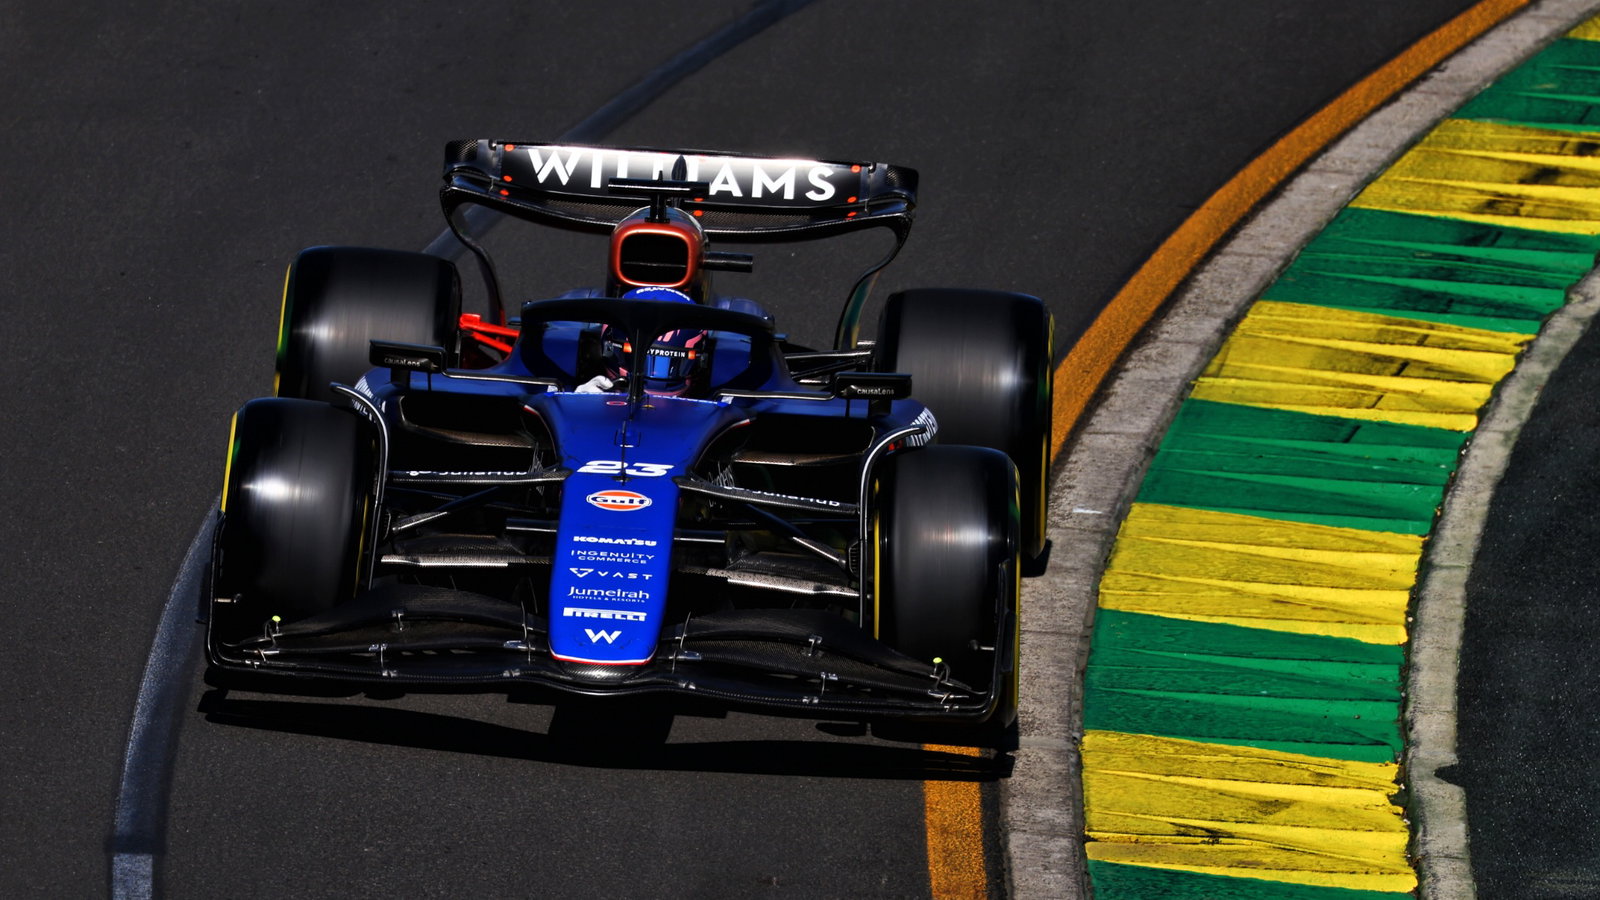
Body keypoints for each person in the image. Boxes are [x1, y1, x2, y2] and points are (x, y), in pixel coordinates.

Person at [576, 286, 707, 396]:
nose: (655, 382)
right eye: (641, 360)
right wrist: (578, 404)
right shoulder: (587, 393)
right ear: (608, 349)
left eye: (671, 363)